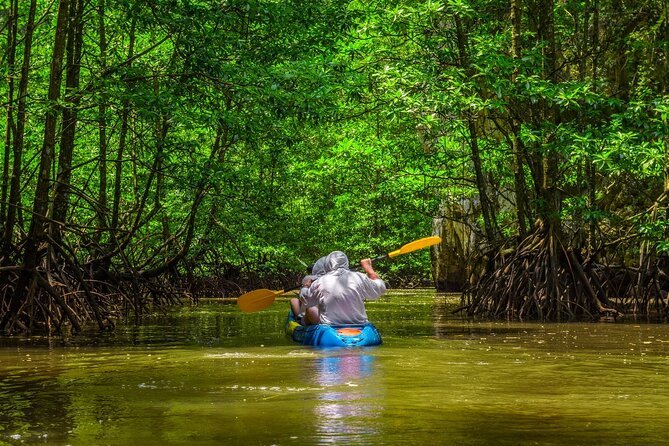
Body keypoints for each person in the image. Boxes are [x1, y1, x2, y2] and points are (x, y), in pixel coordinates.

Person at [303, 251, 386, 325]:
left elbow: (306, 301)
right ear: (346, 263)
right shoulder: (359, 277)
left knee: (310, 308)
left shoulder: (320, 281)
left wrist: (306, 287)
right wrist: (368, 268)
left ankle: (303, 324)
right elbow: (381, 288)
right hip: (359, 324)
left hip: (330, 327)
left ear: (327, 265)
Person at [290, 256, 327, 324]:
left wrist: (305, 286)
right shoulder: (334, 279)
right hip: (326, 314)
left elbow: (302, 297)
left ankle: (299, 317)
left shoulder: (307, 278)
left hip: (310, 315)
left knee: (294, 300)